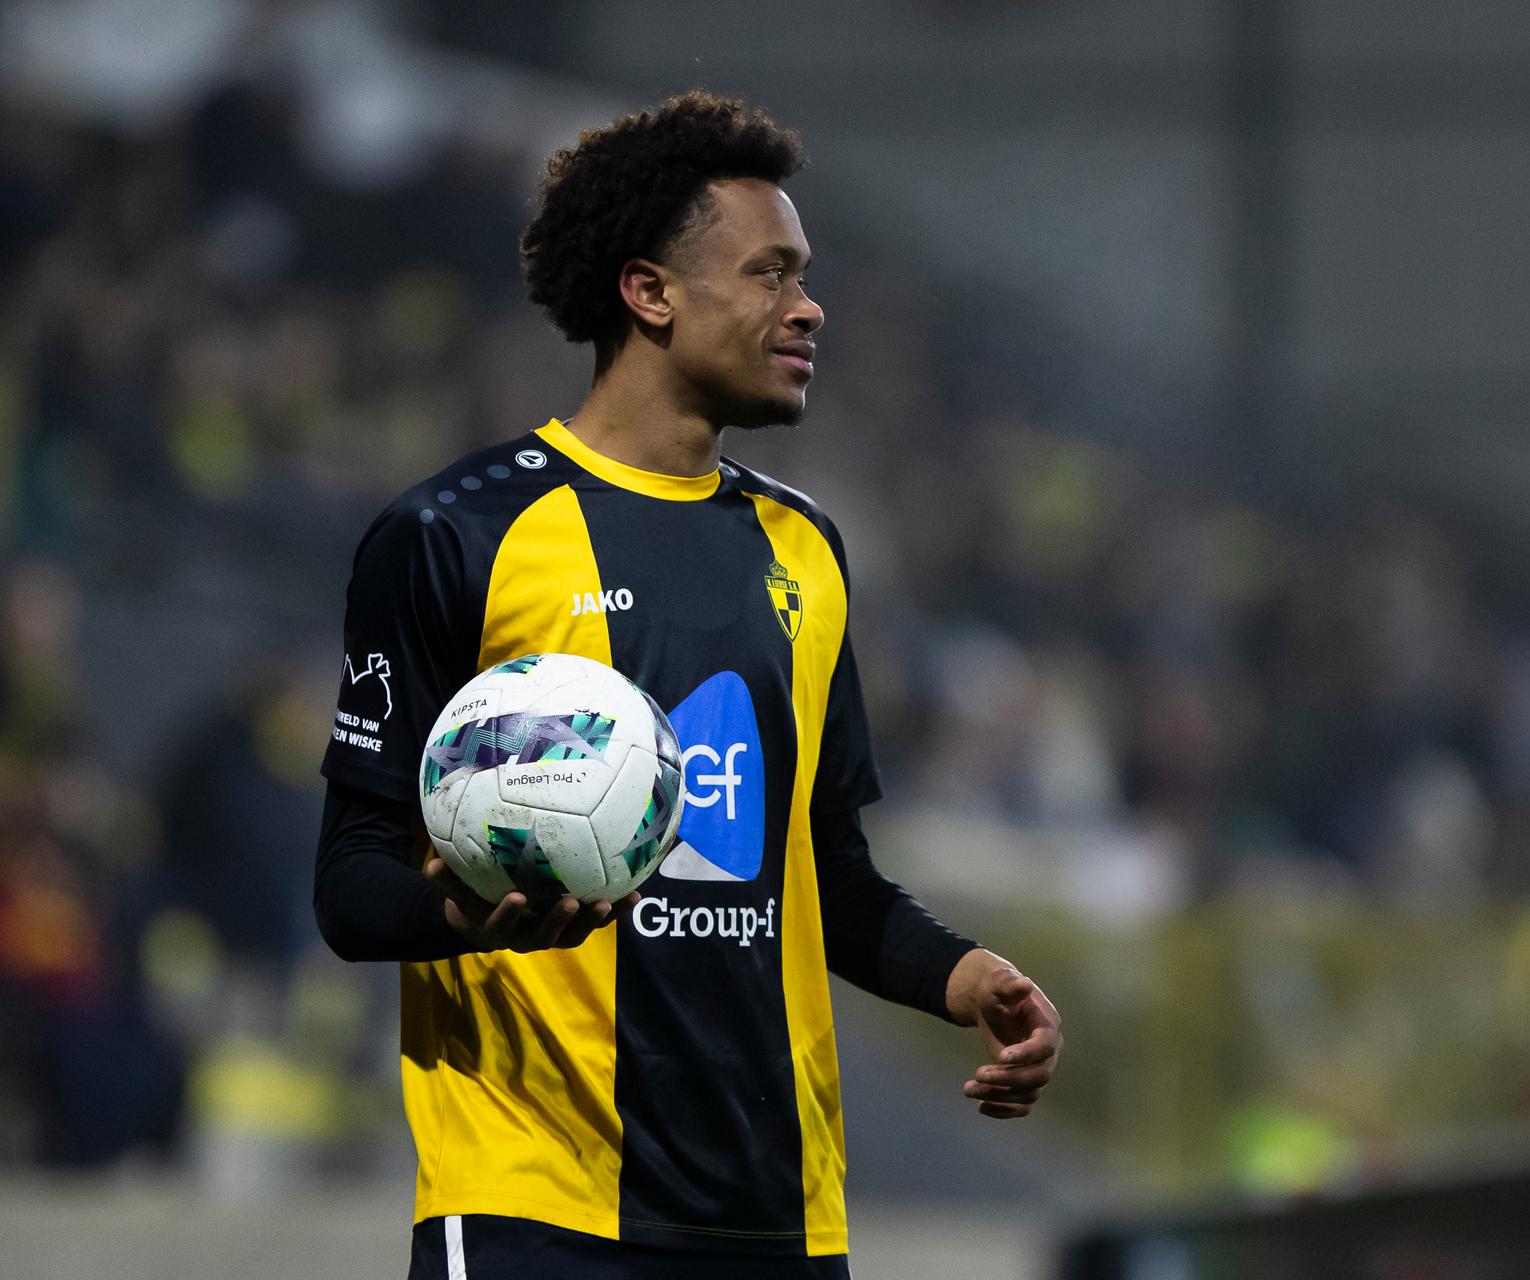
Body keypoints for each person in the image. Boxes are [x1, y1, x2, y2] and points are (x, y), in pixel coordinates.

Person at [312, 92, 1062, 1280]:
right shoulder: (457, 534)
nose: (809, 307)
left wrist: (966, 977)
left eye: (805, 276)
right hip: (536, 1210)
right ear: (649, 292)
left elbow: (825, 872)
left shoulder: (807, 549)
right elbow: (351, 881)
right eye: (770, 274)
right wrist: (460, 917)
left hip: (779, 1218)